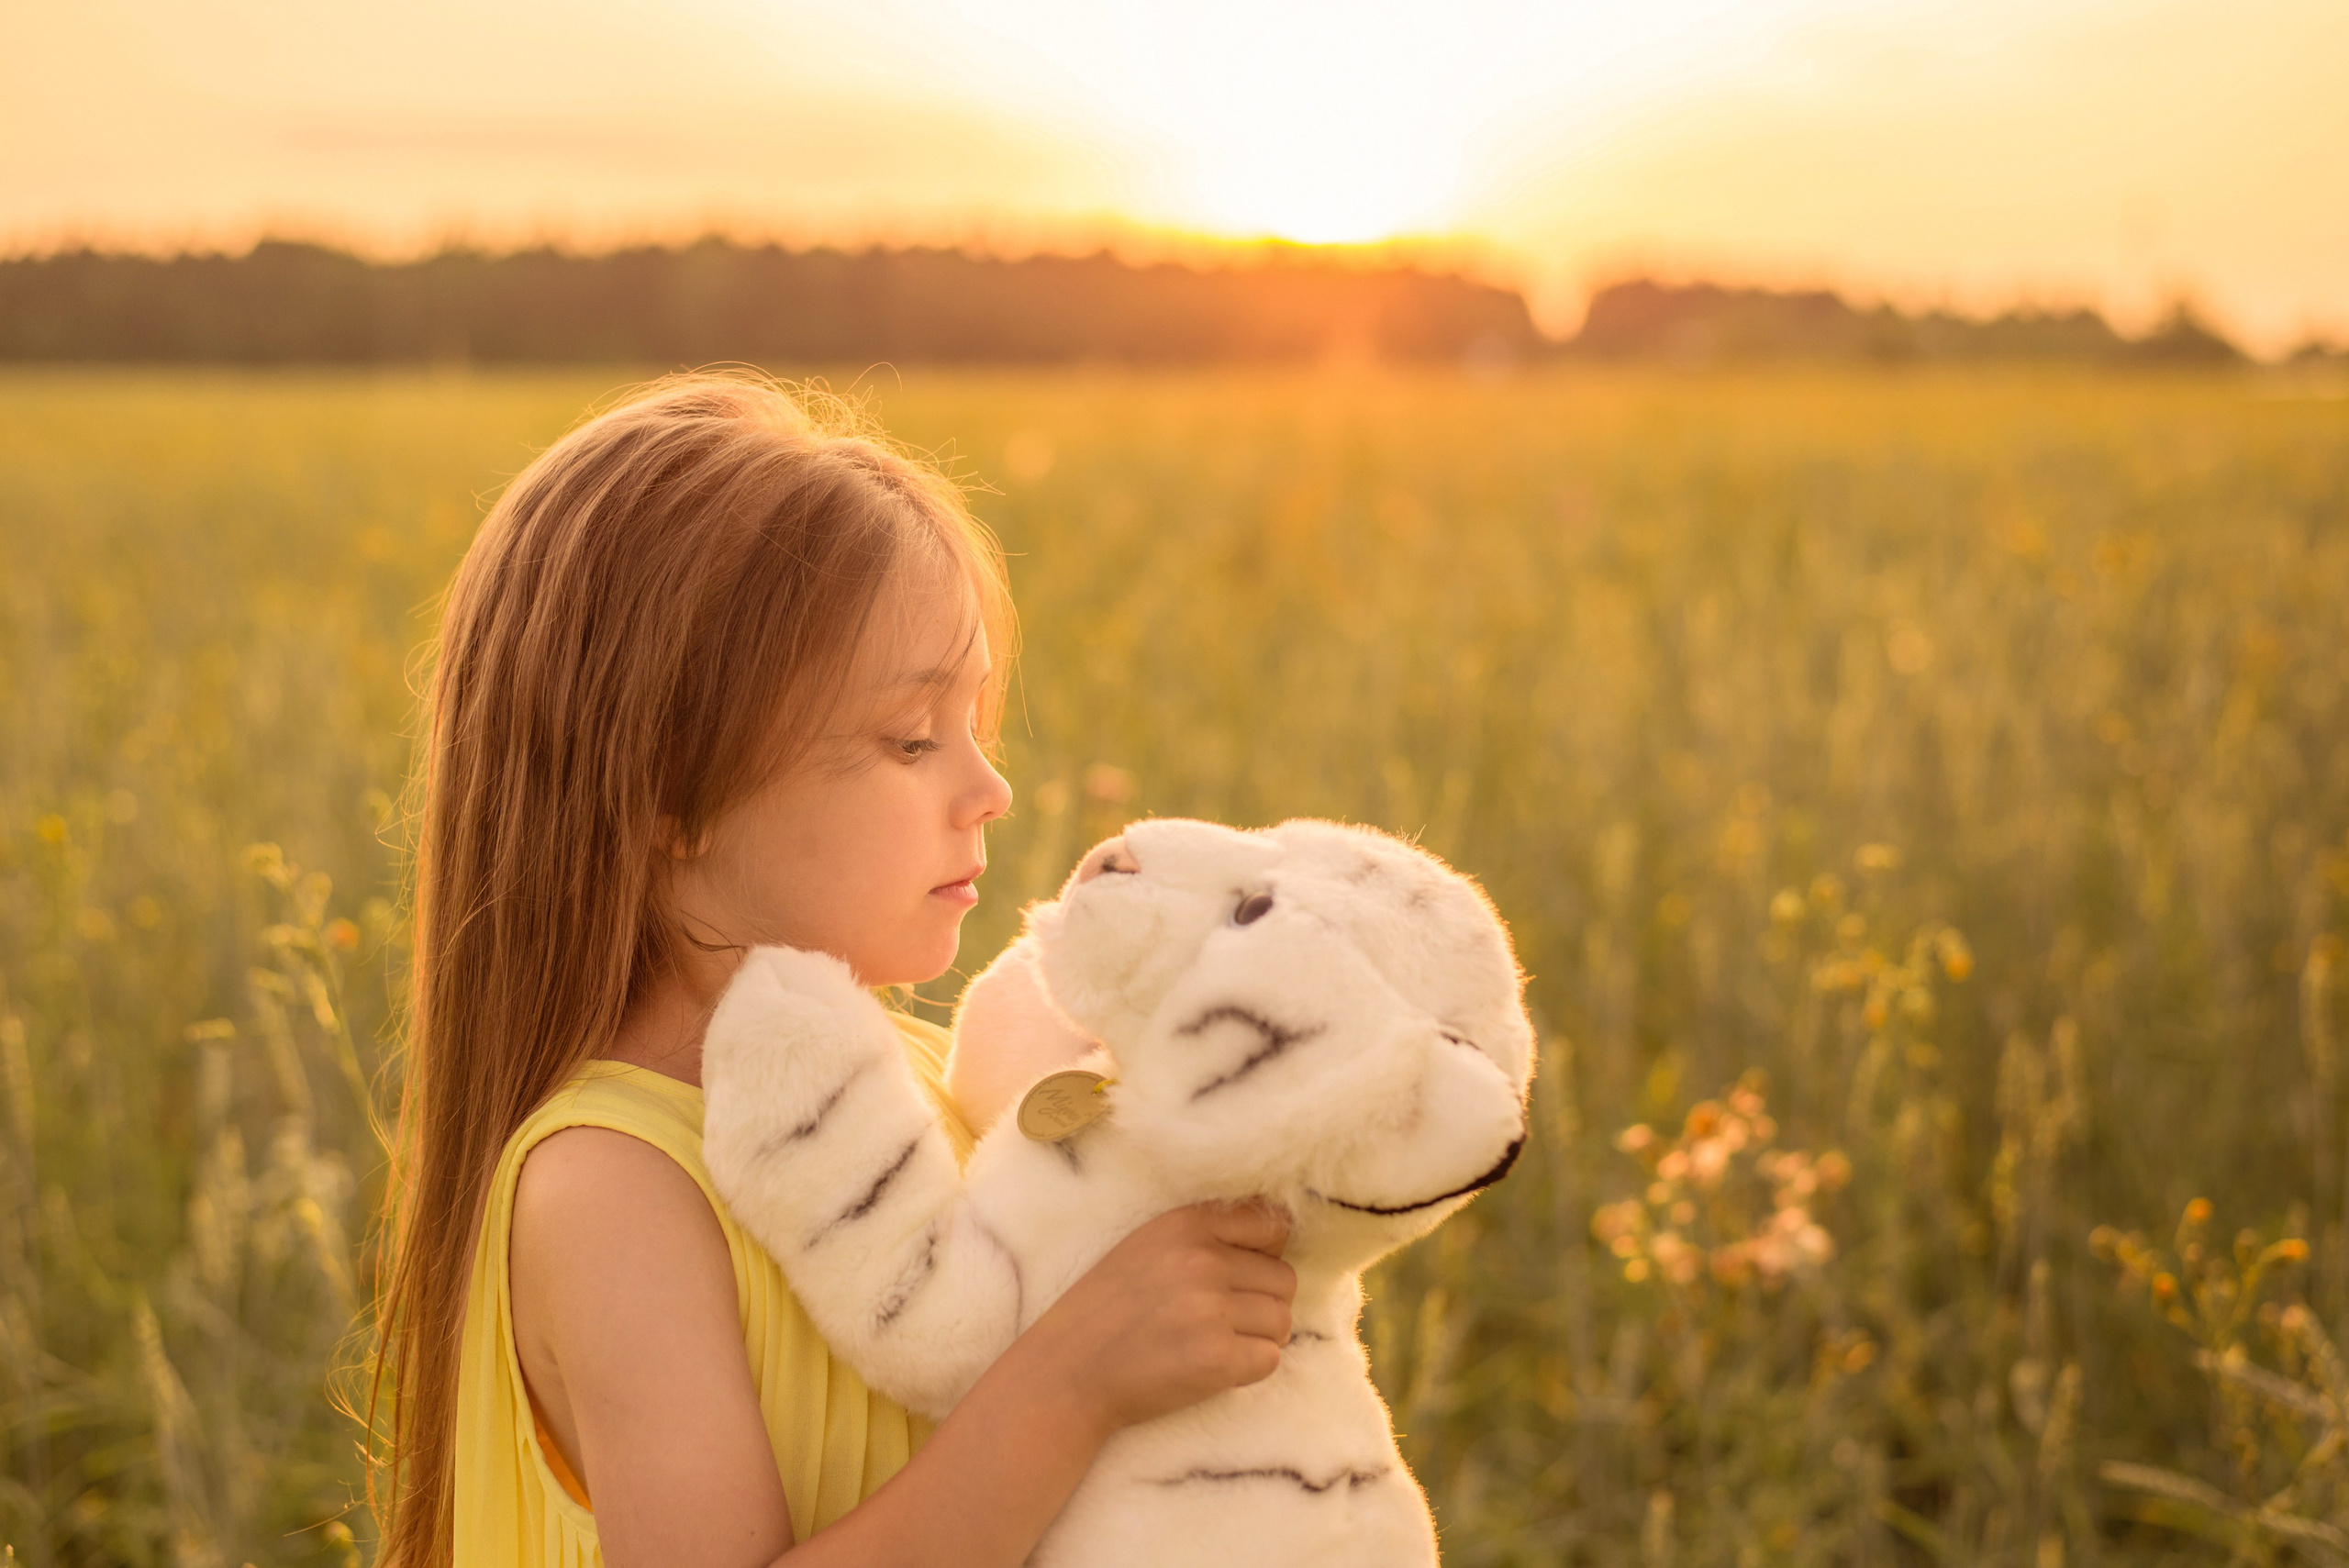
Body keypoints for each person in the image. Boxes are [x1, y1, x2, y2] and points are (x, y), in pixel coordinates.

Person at [367, 373, 1297, 1568]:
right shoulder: (612, 1188)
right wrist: (1074, 1379)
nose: (990, 789)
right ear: (672, 794)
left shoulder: (923, 1079)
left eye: (977, 725)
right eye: (912, 738)